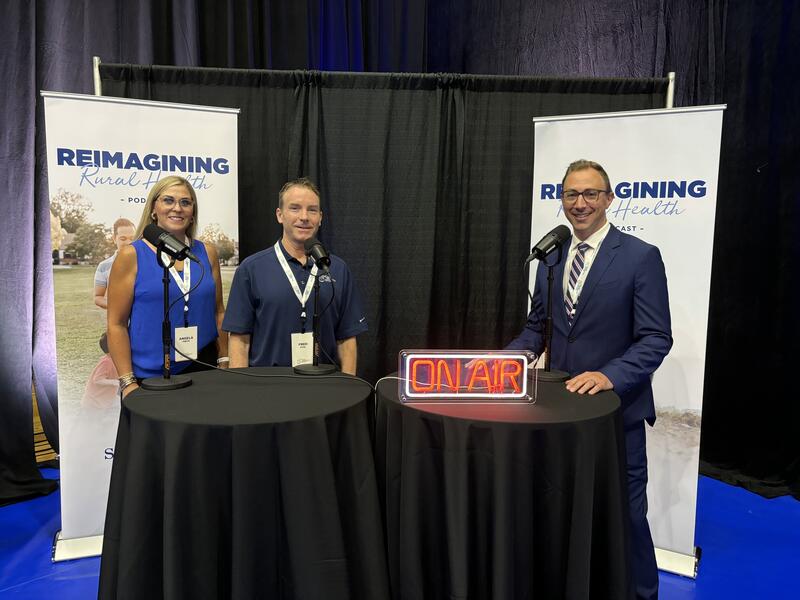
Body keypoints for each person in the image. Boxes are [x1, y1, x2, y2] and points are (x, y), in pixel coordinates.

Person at [506, 159, 672, 600]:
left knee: (628, 514)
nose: (580, 204)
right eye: (571, 195)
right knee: (566, 508)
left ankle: (641, 593)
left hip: (618, 409)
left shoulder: (641, 257)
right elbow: (535, 328)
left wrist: (608, 375)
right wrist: (500, 365)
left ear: (608, 199)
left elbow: (656, 338)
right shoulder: (551, 258)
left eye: (590, 194)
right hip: (561, 411)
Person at [223, 177, 367, 375]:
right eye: (295, 208)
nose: (304, 217)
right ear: (280, 215)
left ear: (321, 217)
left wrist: (348, 387)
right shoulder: (251, 269)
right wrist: (241, 389)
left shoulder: (337, 269)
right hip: (268, 390)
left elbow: (347, 339)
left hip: (326, 387)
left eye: (312, 210)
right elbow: (240, 340)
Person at [107, 176, 228, 397]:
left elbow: (218, 311)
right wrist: (127, 382)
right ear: (154, 208)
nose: (177, 208)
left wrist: (225, 359)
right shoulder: (131, 255)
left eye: (185, 202)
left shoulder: (206, 253)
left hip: (205, 367)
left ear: (193, 212)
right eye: (168, 200)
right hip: (150, 375)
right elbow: (116, 324)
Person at [94, 218, 136, 309]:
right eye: (123, 239)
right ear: (114, 239)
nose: (129, 242)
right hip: (117, 321)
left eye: (132, 238)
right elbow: (98, 297)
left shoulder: (145, 262)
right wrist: (118, 307)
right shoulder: (103, 266)